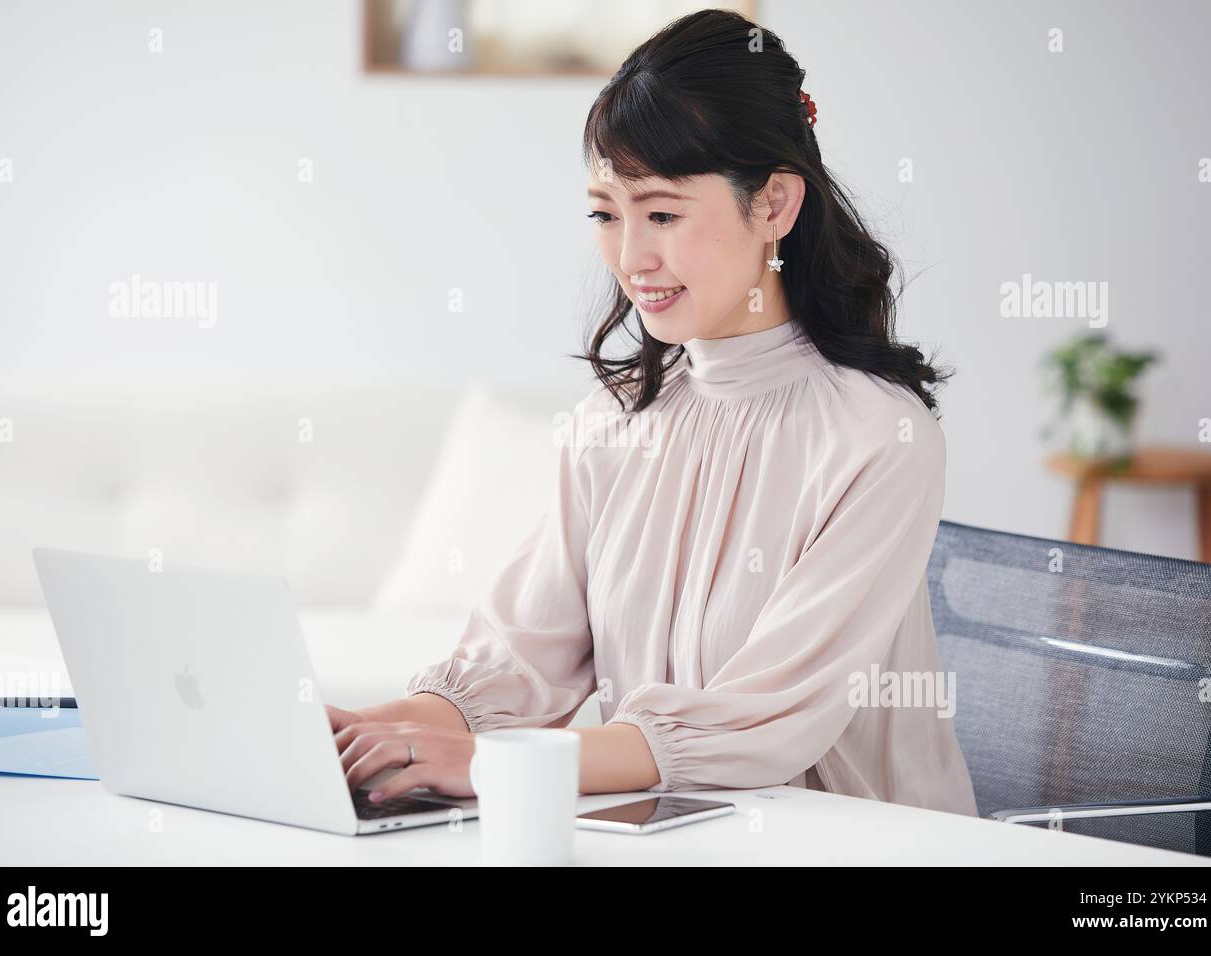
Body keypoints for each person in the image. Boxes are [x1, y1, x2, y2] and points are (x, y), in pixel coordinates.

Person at [330, 8, 978, 817]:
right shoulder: (614, 421)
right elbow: (521, 659)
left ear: (775, 205)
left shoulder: (879, 437)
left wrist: (492, 766)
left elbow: (762, 725)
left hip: (862, 844)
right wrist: (362, 734)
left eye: (663, 213)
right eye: (607, 213)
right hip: (679, 836)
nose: (632, 258)